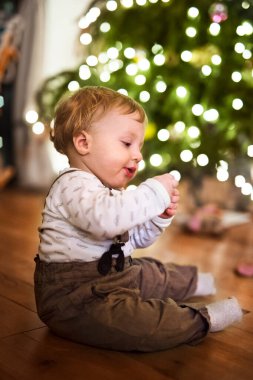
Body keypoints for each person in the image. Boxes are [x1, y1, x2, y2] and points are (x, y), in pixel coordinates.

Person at [34, 86, 243, 352]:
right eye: (126, 143)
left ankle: (197, 282)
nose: (138, 155)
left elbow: (132, 240)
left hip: (114, 274)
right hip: (74, 297)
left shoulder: (107, 191)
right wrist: (153, 192)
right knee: (137, 324)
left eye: (139, 146)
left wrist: (157, 218)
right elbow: (106, 221)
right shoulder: (72, 185)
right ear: (84, 143)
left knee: (151, 270)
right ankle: (199, 319)